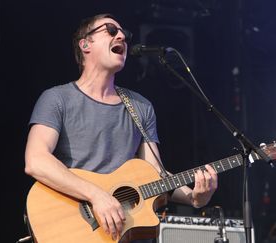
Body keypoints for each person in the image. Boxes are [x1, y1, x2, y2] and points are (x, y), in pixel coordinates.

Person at [24, 13, 217, 242]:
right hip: (74, 227)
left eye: (124, 34)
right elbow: (36, 161)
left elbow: (155, 176)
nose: (122, 37)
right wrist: (96, 195)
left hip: (122, 231)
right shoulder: (57, 99)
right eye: (111, 30)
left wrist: (194, 198)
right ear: (85, 44)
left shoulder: (140, 106)